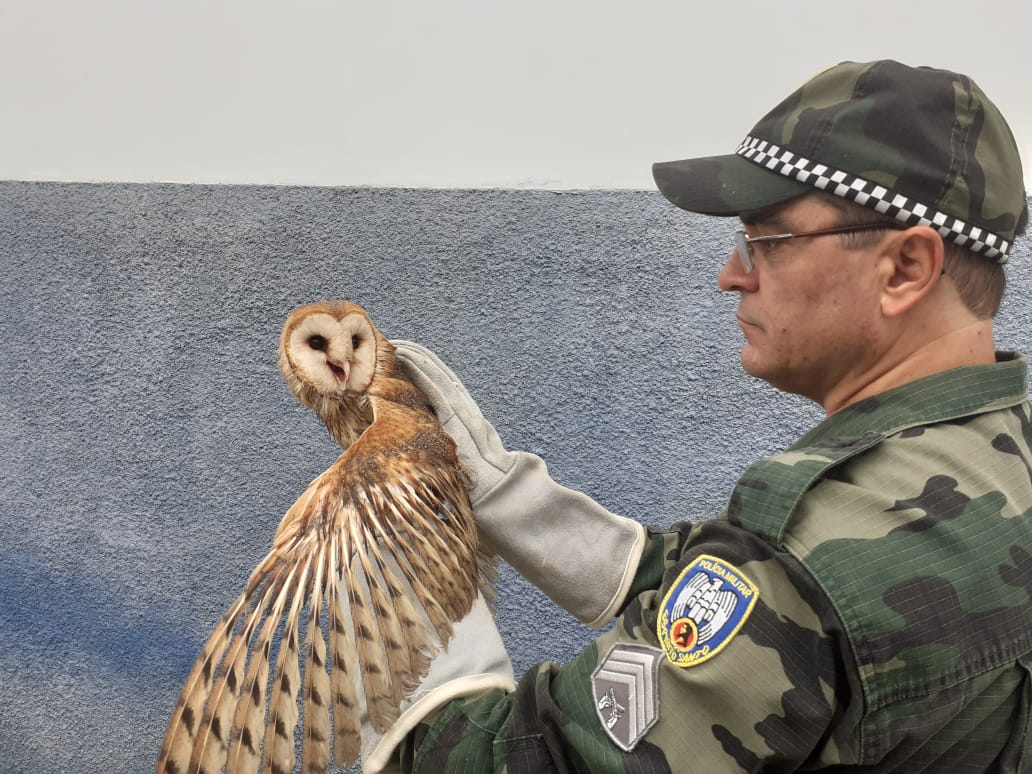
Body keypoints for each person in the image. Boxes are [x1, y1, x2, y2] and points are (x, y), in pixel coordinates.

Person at [363, 59, 1032, 772]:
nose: (732, 273)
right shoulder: (998, 451)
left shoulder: (805, 556)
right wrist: (515, 502)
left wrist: (405, 596)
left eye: (767, 241)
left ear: (904, 269)